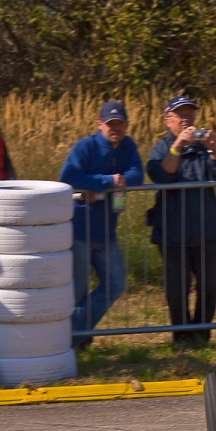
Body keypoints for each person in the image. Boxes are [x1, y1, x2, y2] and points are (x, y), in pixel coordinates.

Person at [147, 96, 216, 344]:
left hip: (206, 230)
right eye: (180, 115)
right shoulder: (162, 148)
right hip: (173, 232)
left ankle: (201, 334)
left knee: (210, 285)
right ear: (168, 121)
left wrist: (215, 149)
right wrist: (178, 146)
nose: (187, 119)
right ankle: (182, 338)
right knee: (177, 290)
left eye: (190, 115)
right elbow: (161, 174)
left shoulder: (203, 147)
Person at [60, 101, 143, 349]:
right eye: (110, 124)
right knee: (78, 292)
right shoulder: (85, 147)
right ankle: (74, 342)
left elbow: (137, 175)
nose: (115, 128)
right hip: (79, 232)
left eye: (119, 124)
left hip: (107, 234)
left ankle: (75, 333)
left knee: (115, 285)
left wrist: (109, 185)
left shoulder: (129, 147)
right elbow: (68, 177)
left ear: (127, 125)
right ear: (100, 125)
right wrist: (108, 181)